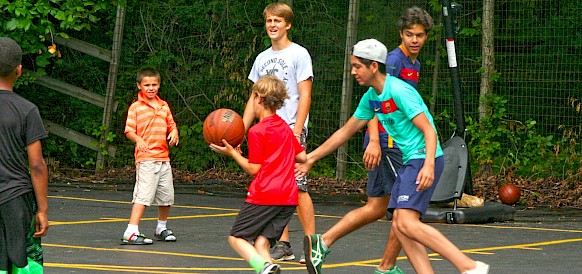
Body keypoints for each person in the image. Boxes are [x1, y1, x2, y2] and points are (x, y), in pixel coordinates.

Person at [298, 39, 489, 274]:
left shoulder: (399, 91)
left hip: (422, 159)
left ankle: (469, 266)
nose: (353, 71)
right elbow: (345, 132)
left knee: (406, 222)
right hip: (412, 161)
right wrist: (312, 158)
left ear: (374, 67)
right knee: (401, 226)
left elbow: (429, 131)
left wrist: (428, 165)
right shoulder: (371, 97)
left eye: (358, 66)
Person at [210, 75, 307, 274]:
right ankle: (269, 268)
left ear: (259, 99)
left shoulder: (257, 131)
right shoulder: (284, 127)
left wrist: (232, 154)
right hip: (288, 196)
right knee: (261, 243)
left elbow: (254, 169)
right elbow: (303, 156)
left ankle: (263, 266)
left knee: (236, 238)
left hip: (265, 194)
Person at [243, 2, 314, 263]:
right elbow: (254, 98)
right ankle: (284, 245)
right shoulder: (261, 58)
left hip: (289, 130)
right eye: (269, 21)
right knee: (276, 188)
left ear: (288, 24)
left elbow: (305, 94)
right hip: (266, 132)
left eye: (277, 21)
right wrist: (241, 129)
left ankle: (312, 243)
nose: (272, 25)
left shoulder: (299, 54)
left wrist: (297, 130)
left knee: (299, 186)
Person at [371, 6, 434, 273]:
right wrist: (374, 139)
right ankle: (385, 267)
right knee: (404, 209)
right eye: (410, 34)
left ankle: (386, 267)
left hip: (402, 142)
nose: (415, 40)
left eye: (420, 35)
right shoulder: (394, 61)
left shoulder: (415, 63)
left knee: (385, 207)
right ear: (401, 34)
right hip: (389, 143)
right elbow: (376, 98)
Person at [0, 37, 49, 273]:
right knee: (22, 263)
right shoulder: (27, 110)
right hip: (16, 198)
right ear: (18, 70)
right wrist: (42, 209)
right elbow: (37, 165)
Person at [121, 68, 180, 245]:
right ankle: (131, 231)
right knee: (143, 196)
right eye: (147, 85)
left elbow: (171, 124)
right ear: (139, 86)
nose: (151, 88)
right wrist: (138, 139)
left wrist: (175, 132)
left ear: (159, 85)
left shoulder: (163, 106)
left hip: (163, 158)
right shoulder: (136, 107)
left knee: (166, 196)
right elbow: (129, 130)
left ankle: (161, 227)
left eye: (154, 84)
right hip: (146, 159)